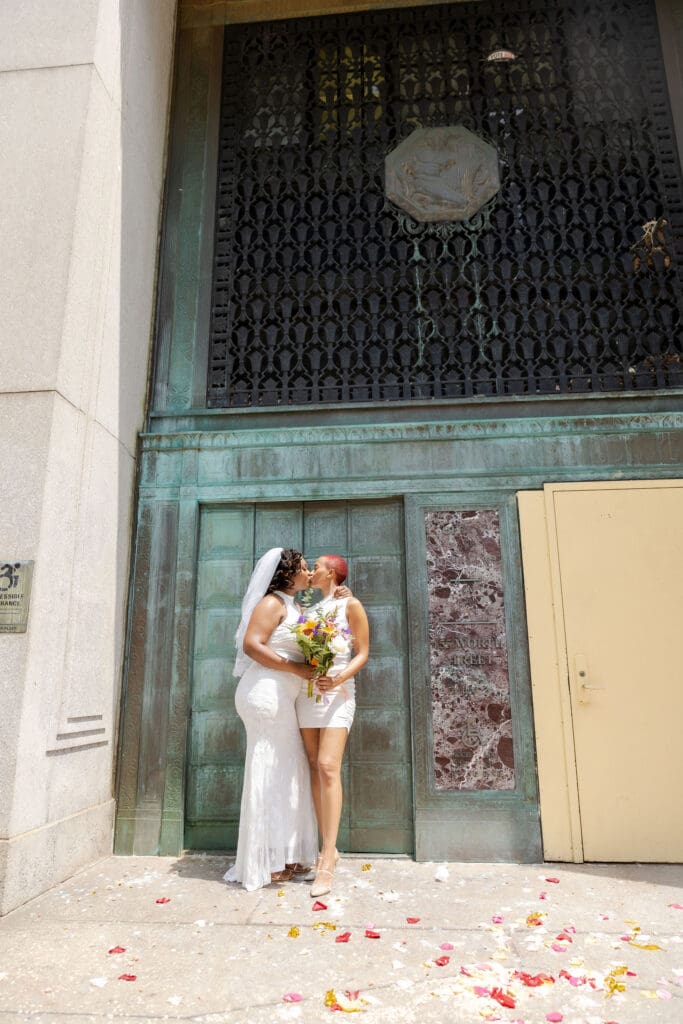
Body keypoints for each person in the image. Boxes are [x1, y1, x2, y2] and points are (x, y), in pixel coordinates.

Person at [224, 547, 319, 891]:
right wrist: (295, 667)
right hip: (264, 695)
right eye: (305, 569)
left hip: (283, 697)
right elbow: (252, 645)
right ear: (286, 573)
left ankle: (286, 855)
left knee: (288, 770)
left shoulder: (293, 605)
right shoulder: (271, 604)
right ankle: (266, 858)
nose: (309, 575)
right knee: (271, 771)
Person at [296, 555, 370, 897]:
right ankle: (328, 847)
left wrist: (338, 676)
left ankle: (327, 857)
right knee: (313, 766)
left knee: (328, 766)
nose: (312, 570)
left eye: (317, 566)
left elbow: (363, 652)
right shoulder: (306, 602)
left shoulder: (351, 604)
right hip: (306, 692)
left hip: (338, 693)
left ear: (333, 573)